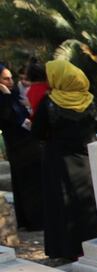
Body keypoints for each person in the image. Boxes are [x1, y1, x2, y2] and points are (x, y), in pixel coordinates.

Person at [32, 60, 97, 259]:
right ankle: (91, 246)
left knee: (62, 205)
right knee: (87, 202)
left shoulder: (50, 103)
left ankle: (66, 250)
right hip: (86, 160)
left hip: (58, 162)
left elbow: (38, 132)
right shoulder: (92, 101)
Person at [0, 62, 42, 230]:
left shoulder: (13, 93)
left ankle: (31, 219)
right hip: (17, 145)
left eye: (11, 78)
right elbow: (14, 117)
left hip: (27, 144)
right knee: (26, 184)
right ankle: (33, 221)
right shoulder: (5, 97)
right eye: (5, 79)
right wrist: (6, 96)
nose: (10, 81)